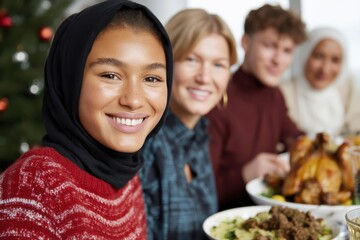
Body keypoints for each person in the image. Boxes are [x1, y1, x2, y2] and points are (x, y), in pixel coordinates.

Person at [0, 0, 173, 239]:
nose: (133, 100)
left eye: (152, 78)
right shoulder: (34, 185)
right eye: (110, 75)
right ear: (70, 80)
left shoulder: (126, 170)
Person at [139, 8, 238, 240]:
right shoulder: (143, 141)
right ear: (163, 62)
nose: (205, 77)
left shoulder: (200, 133)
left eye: (218, 65)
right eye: (191, 59)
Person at [206, 4, 307, 210]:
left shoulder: (274, 95)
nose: (278, 60)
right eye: (269, 46)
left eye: (287, 50)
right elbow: (199, 189)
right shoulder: (216, 97)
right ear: (245, 42)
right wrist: (246, 173)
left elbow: (293, 136)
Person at [280, 26, 360, 138]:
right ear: (304, 54)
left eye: (335, 60)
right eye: (318, 56)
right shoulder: (282, 92)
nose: (325, 69)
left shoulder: (347, 88)